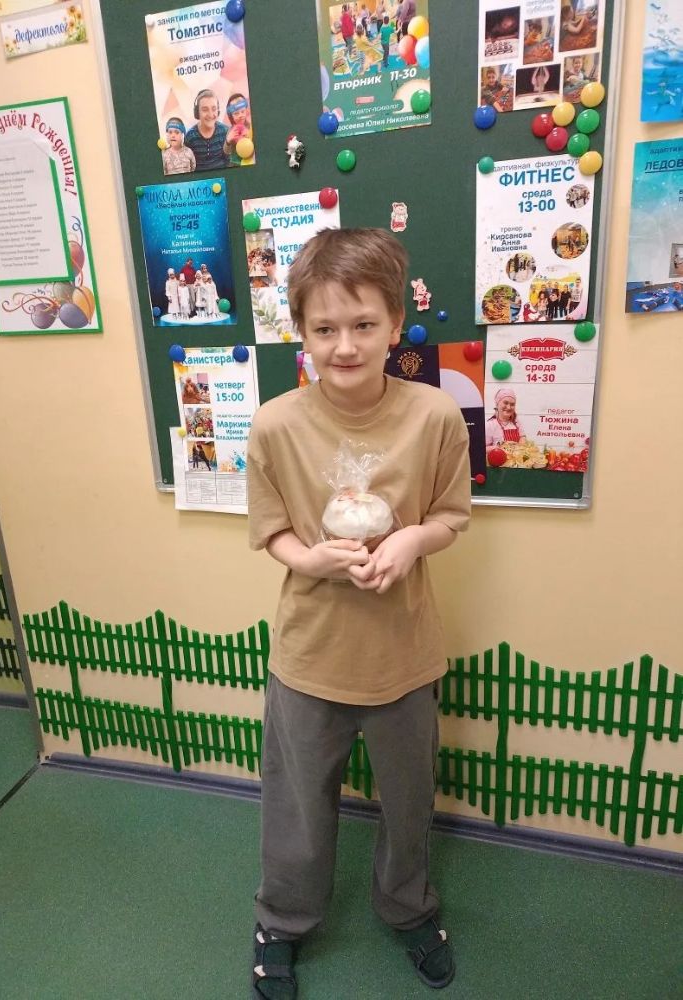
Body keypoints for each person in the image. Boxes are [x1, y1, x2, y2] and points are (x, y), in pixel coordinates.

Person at [247, 228, 471, 999]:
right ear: (300, 332)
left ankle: (409, 908)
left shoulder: (435, 416)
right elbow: (272, 530)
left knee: (408, 803)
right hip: (309, 656)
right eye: (325, 328)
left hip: (403, 655)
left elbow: (450, 516)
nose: (345, 346)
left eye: (365, 324)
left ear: (396, 323)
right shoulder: (275, 424)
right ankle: (281, 921)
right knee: (297, 808)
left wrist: (411, 540)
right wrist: (309, 559)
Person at [184, 90, 229, 171]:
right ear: (197, 113)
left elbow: (229, 160)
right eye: (205, 110)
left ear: (218, 111)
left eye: (214, 109)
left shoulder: (225, 131)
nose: (210, 114)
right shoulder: (190, 136)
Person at [485, 387, 526, 452]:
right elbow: (484, 449)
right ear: (497, 404)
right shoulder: (490, 425)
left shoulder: (516, 422)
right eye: (505, 403)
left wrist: (520, 447)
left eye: (512, 404)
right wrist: (500, 447)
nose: (509, 407)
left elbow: (522, 437)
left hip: (516, 458)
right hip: (498, 458)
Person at [224, 93, 253, 165]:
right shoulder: (231, 130)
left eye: (242, 111)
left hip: (249, 161)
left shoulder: (250, 127)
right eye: (236, 113)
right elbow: (226, 151)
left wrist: (249, 137)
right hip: (234, 164)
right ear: (231, 116)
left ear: (246, 111)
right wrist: (228, 140)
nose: (240, 115)